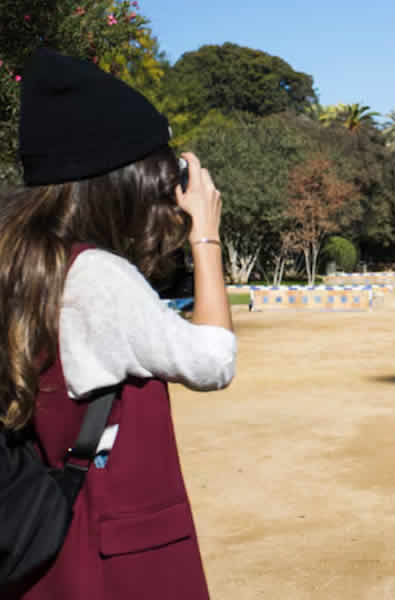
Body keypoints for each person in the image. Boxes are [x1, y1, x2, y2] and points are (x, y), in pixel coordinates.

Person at [1, 49, 236, 599]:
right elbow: (212, 360)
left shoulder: (24, 264)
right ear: (120, 181)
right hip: (118, 550)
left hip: (53, 547)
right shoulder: (95, 276)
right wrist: (206, 233)